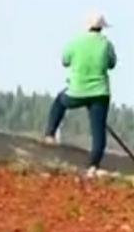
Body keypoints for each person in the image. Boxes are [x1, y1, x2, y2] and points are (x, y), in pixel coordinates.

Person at [43, 13, 118, 176]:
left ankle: (50, 134)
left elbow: (65, 61)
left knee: (60, 102)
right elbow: (112, 64)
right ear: (102, 28)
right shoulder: (106, 45)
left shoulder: (76, 42)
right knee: (98, 131)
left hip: (77, 90)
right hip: (100, 93)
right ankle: (93, 166)